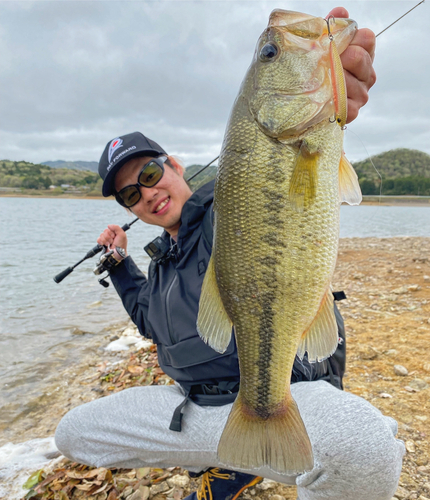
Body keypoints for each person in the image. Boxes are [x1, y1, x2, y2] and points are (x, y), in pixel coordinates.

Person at [55, 8, 405, 500]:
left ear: (174, 166)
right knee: (72, 432)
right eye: (131, 195)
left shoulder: (228, 202)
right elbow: (150, 323)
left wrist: (334, 96)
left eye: (150, 175)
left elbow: (284, 168)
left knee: (364, 447)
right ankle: (234, 459)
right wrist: (120, 268)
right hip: (196, 412)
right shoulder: (161, 266)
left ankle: (258, 447)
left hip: (280, 393)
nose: (147, 195)